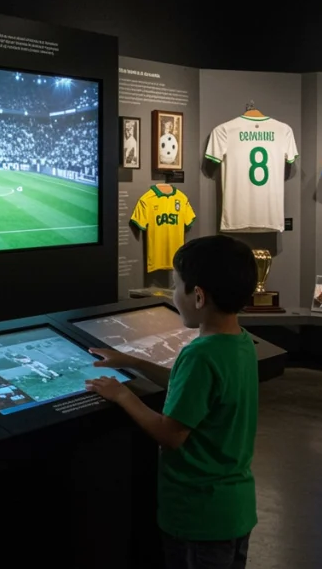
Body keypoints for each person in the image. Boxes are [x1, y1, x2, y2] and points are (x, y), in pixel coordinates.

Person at [86, 235, 259, 569]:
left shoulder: (200, 356)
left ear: (198, 296)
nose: (173, 294)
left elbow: (171, 434)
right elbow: (193, 391)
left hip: (199, 517)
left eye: (176, 285)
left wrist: (122, 395)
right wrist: (134, 362)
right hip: (234, 510)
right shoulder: (240, 342)